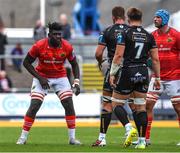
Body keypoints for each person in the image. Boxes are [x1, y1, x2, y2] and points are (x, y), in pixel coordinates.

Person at [16, 22, 82, 145]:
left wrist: (76, 82)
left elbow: (75, 64)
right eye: (55, 34)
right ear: (49, 34)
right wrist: (40, 78)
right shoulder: (39, 45)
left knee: (68, 103)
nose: (58, 37)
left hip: (60, 77)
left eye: (60, 34)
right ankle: (23, 137)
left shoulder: (67, 46)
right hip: (42, 76)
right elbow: (26, 63)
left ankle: (72, 138)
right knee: (35, 105)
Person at [109, 7, 160, 149]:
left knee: (116, 104)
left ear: (128, 18)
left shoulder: (124, 33)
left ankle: (128, 127)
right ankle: (142, 141)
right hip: (143, 72)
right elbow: (155, 60)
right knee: (140, 107)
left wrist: (113, 73)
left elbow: (118, 56)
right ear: (141, 19)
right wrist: (157, 77)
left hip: (128, 71)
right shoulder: (149, 35)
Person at [92, 6, 137, 147]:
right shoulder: (132, 31)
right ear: (124, 16)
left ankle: (103, 138)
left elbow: (98, 53)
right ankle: (142, 139)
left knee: (107, 103)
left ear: (113, 17)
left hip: (115, 69)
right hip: (132, 70)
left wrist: (100, 63)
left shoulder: (107, 31)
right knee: (134, 104)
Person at [144, 9, 180, 146]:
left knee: (178, 109)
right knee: (147, 105)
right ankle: (146, 138)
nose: (155, 19)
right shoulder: (151, 36)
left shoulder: (176, 35)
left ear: (164, 19)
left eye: (158, 17)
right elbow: (147, 56)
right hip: (157, 77)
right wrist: (148, 62)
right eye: (154, 17)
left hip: (174, 77)